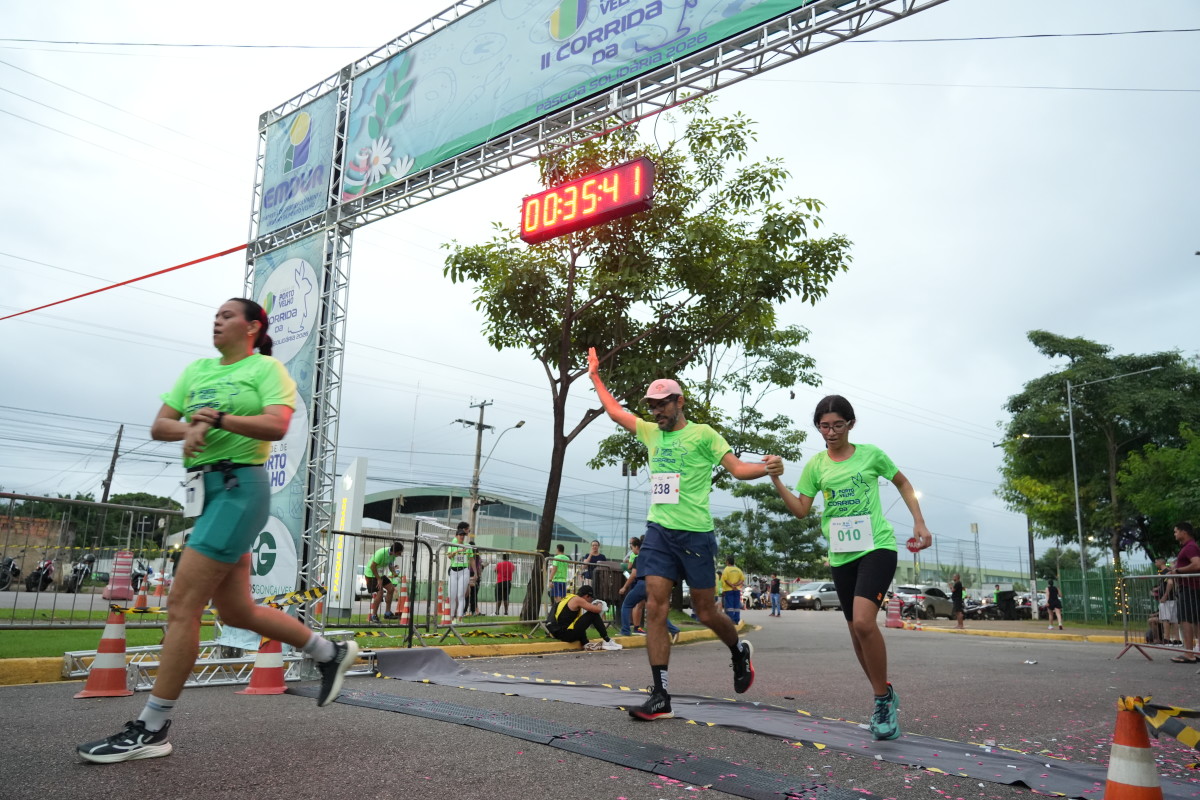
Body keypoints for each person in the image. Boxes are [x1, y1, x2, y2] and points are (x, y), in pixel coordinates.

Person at [77, 298, 358, 764]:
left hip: (238, 489)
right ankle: (328, 652)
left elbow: (276, 424)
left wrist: (216, 419)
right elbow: (160, 425)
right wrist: (192, 427)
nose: (217, 320)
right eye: (215, 315)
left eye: (228, 316)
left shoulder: (266, 369)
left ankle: (152, 728)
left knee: (181, 607)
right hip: (205, 493)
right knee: (237, 610)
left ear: (253, 327)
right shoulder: (197, 370)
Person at [588, 348, 777, 721]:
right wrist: (595, 376)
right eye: (652, 405)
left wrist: (766, 468)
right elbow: (615, 412)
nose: (656, 411)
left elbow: (738, 469)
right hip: (659, 531)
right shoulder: (650, 432)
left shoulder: (703, 434)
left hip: (695, 535)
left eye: (662, 404)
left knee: (705, 611)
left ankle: (738, 651)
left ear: (679, 402)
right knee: (656, 606)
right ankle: (661, 695)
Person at [767, 394, 932, 741]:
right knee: (856, 632)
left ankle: (882, 702)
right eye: (824, 426)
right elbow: (801, 510)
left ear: (851, 424)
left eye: (837, 425)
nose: (830, 432)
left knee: (863, 622)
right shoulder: (816, 466)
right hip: (841, 555)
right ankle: (883, 693)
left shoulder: (871, 454)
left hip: (877, 547)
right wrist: (777, 480)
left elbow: (902, 482)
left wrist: (919, 521)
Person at [620, 538, 679, 638]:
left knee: (626, 605)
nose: (632, 550)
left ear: (637, 547)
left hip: (642, 584)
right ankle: (674, 630)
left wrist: (624, 587)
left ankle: (625, 630)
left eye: (632, 547)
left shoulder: (638, 558)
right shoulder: (654, 558)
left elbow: (634, 574)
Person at [546, 584, 623, 651]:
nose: (591, 600)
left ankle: (585, 643)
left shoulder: (569, 597)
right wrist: (599, 603)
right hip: (566, 635)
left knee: (579, 620)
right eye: (591, 598)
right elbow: (597, 610)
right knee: (593, 614)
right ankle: (607, 640)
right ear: (586, 596)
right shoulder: (578, 600)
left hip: (558, 633)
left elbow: (577, 622)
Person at [1169, 521, 1200, 663]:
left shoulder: (1190, 547)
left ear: (1184, 532)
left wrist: (1178, 571)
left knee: (1186, 619)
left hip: (1189, 587)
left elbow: (1197, 564)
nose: (1174, 534)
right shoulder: (1190, 546)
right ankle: (1195, 651)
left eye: (1176, 531)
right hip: (1192, 587)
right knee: (1196, 620)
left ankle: (1189, 653)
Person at [365, 541, 404, 624]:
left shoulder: (392, 556)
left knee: (391, 589)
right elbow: (372, 566)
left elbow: (390, 565)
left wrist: (394, 573)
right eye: (399, 553)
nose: (400, 555)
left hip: (380, 574)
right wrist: (379, 579)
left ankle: (387, 613)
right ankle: (373, 616)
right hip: (371, 574)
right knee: (380, 593)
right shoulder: (381, 553)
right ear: (394, 551)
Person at [446, 522, 473, 624]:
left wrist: (475, 573)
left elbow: (471, 559)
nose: (462, 536)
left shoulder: (468, 546)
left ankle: (460, 618)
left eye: (463, 535)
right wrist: (458, 551)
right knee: (452, 596)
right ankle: (452, 618)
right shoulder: (452, 545)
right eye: (460, 535)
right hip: (453, 571)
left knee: (461, 595)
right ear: (456, 536)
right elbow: (449, 556)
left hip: (464, 571)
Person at [719, 555, 745, 624]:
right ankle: (736, 620)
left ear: (727, 562)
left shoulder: (726, 569)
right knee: (736, 606)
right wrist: (736, 585)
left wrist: (732, 585)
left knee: (729, 606)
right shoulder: (738, 570)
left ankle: (731, 620)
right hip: (737, 590)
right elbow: (742, 580)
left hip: (728, 590)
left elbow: (725, 580)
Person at [466, 535, 484, 616]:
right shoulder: (477, 556)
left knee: (467, 593)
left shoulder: (468, 554)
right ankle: (473, 611)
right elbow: (480, 567)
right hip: (476, 575)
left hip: (468, 573)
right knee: (474, 594)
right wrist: (478, 575)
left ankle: (464, 610)